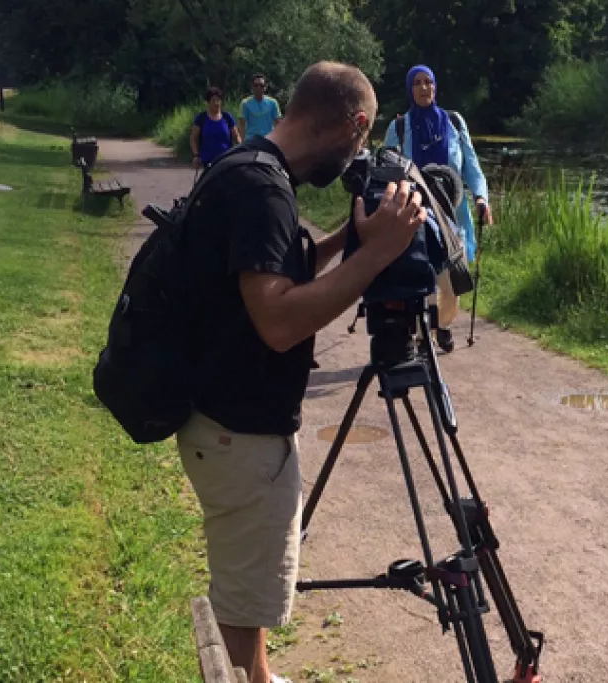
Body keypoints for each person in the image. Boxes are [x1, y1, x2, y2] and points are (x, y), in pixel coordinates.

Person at [175, 61, 425, 683]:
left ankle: (255, 674)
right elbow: (279, 320)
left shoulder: (251, 167)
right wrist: (377, 256)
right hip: (238, 431)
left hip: (224, 417)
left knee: (248, 572)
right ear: (356, 125)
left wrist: (349, 238)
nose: (355, 158)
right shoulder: (264, 191)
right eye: (361, 144)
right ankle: (245, 677)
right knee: (242, 586)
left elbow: (270, 266)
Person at [383, 64, 492, 352]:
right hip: (415, 212)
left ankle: (442, 325)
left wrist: (481, 197)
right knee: (423, 273)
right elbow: (387, 171)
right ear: (410, 89)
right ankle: (422, 334)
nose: (423, 88)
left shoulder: (454, 123)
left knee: (453, 278)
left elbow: (471, 165)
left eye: (428, 82)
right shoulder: (399, 128)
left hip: (453, 213)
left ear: (435, 87)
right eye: (417, 83)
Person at [191, 86, 241, 170]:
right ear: (208, 102)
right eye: (213, 100)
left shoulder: (227, 117)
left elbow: (236, 136)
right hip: (208, 161)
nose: (216, 103)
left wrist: (241, 149)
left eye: (218, 100)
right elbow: (193, 138)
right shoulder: (201, 118)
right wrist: (196, 155)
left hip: (226, 160)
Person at [238, 73, 283, 142]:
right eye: (256, 85)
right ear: (252, 87)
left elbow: (278, 123)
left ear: (265, 87)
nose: (258, 88)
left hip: (269, 141)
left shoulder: (273, 103)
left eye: (261, 86)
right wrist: (242, 143)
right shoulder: (245, 103)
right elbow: (241, 125)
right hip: (252, 142)